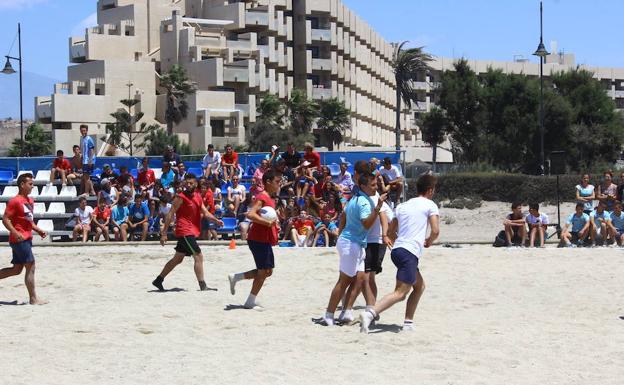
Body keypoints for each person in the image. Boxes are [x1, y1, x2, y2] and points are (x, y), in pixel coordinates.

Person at [359, 174, 439, 333]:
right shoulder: (430, 205)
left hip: (397, 251)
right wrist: (429, 241)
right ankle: (370, 314)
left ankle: (408, 323)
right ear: (430, 191)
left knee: (419, 286)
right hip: (409, 252)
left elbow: (391, 230)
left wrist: (393, 240)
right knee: (400, 293)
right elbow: (435, 231)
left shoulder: (403, 206)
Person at [320, 173, 387, 326]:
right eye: (373, 185)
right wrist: (377, 208)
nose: (376, 187)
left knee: (360, 279)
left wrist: (341, 233)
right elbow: (366, 224)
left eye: (376, 184)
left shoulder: (356, 198)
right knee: (344, 281)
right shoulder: (364, 202)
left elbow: (343, 216)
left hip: (355, 243)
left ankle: (345, 312)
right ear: (363, 186)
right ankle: (329, 315)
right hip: (351, 244)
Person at [152, 173, 224, 292]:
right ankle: (203, 285)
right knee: (198, 256)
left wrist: (216, 220)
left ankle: (158, 280)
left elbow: (205, 212)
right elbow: (170, 214)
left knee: (178, 259)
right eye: (187, 183)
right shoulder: (180, 197)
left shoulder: (197, 196)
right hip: (184, 230)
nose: (188, 185)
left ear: (196, 184)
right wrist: (164, 233)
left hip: (190, 230)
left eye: (191, 183)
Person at [227, 169, 282, 309]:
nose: (279, 184)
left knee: (268, 271)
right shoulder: (262, 197)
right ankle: (250, 302)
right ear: (268, 182)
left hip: (263, 238)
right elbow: (251, 214)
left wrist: (274, 224)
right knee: (263, 271)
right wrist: (267, 223)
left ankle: (236, 277)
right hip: (257, 239)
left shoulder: (269, 197)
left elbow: (264, 216)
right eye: (277, 181)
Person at [341, 179, 393, 323]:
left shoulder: (374, 197)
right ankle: (368, 309)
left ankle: (370, 309)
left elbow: (385, 217)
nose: (376, 187)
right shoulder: (357, 197)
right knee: (361, 277)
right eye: (373, 184)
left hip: (374, 242)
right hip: (361, 241)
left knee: (367, 277)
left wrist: (384, 235)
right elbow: (344, 216)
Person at [0, 173, 48, 305]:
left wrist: (38, 230)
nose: (32, 186)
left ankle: (33, 298)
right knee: (31, 266)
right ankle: (33, 299)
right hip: (19, 239)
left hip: (26, 238)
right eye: (30, 184)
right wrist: (15, 232)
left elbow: (28, 221)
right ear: (22, 184)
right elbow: (5, 219)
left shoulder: (30, 201)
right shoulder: (14, 201)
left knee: (16, 269)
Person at [79, 124, 96, 196]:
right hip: (85, 160)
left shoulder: (89, 139)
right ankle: (92, 191)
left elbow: (92, 150)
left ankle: (87, 192)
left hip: (88, 161)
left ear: (87, 131)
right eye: (82, 130)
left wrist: (90, 160)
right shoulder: (82, 139)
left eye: (84, 130)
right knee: (86, 177)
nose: (83, 132)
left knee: (86, 177)